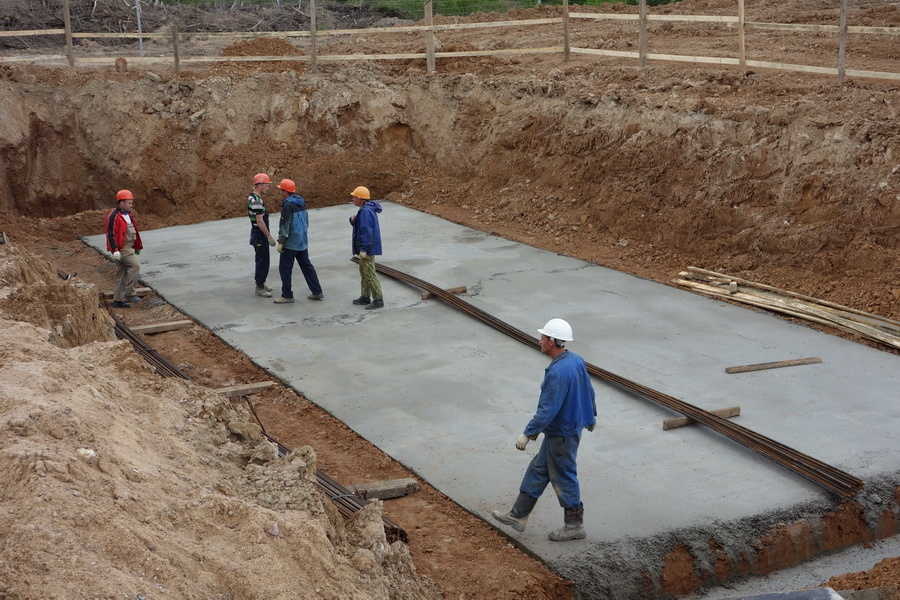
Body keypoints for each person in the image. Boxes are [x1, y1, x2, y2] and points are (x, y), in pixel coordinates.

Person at [492, 318, 597, 542]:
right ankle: (517, 516)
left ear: (551, 341)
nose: (539, 340)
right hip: (566, 429)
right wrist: (590, 415)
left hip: (562, 433)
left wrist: (528, 433)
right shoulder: (575, 360)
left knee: (564, 476)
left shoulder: (558, 372)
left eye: (542, 337)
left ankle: (574, 526)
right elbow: (588, 390)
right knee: (539, 470)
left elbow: (548, 409)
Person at [273, 179, 324, 304]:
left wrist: (281, 241)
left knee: (285, 269)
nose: (281, 193)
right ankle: (317, 291)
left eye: (281, 190)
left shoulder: (287, 206)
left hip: (290, 243)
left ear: (285, 192)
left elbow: (285, 225)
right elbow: (306, 221)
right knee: (307, 266)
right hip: (302, 241)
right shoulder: (301, 203)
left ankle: (287, 295)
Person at [104, 189, 144, 309]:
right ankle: (129, 293)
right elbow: (110, 234)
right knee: (135, 266)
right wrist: (115, 250)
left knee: (122, 273)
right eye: (129, 203)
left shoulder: (128, 215)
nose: (131, 205)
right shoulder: (113, 216)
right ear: (121, 203)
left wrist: (136, 246)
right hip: (121, 249)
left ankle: (118, 300)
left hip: (128, 247)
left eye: (131, 203)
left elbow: (133, 231)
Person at [348, 185, 384, 310]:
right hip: (365, 247)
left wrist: (363, 249)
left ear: (360, 199)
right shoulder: (366, 209)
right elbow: (361, 226)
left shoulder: (365, 212)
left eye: (354, 197)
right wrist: (353, 220)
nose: (352, 199)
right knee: (364, 272)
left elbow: (366, 232)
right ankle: (365, 297)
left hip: (367, 249)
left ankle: (378, 299)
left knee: (369, 273)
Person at [247, 173, 277, 298]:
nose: (268, 187)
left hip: (258, 234)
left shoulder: (253, 197)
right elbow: (260, 221)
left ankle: (261, 283)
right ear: (259, 185)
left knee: (263, 259)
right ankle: (259, 287)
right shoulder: (256, 201)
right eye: (266, 185)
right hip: (259, 234)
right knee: (262, 260)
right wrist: (269, 236)